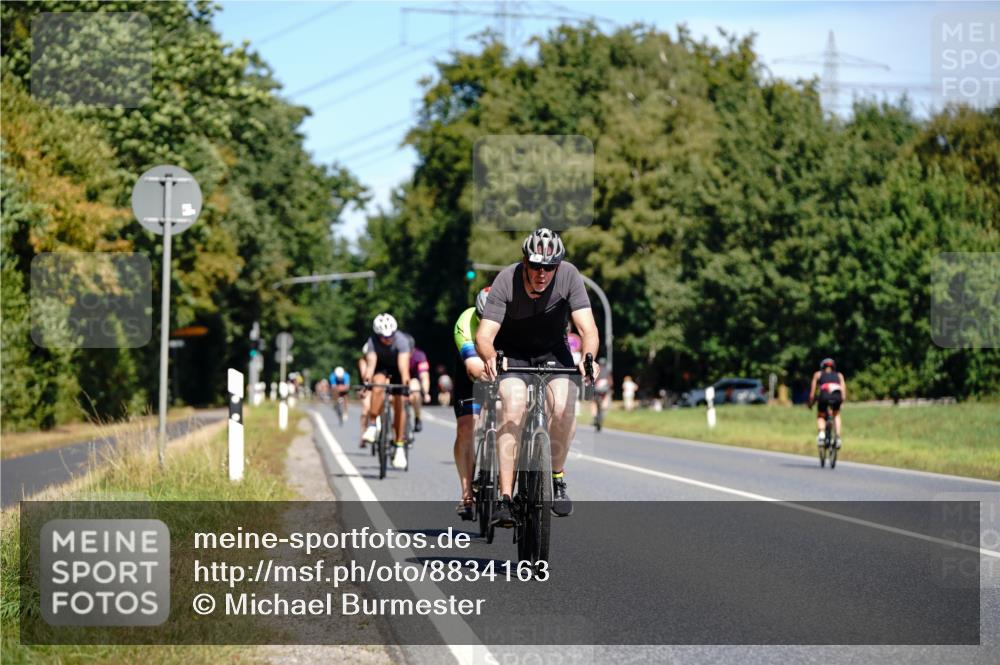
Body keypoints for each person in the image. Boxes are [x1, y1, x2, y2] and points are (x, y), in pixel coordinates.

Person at [476, 228, 600, 526]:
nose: (542, 273)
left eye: (549, 267)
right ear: (524, 262)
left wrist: (588, 357)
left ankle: (556, 478)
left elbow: (588, 330)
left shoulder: (570, 276)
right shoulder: (507, 279)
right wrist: (491, 357)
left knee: (564, 405)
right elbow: (485, 335)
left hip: (553, 352)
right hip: (513, 353)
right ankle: (505, 498)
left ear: (558, 265)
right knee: (514, 406)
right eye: (536, 266)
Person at [450, 286, 490, 520]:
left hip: (502, 370)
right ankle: (466, 494)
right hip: (471, 374)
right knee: (467, 427)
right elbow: (473, 366)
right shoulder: (465, 320)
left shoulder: (514, 317)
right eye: (482, 319)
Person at [360, 314, 412, 469]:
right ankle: (372, 425)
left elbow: (403, 367)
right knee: (377, 384)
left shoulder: (402, 341)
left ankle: (399, 445)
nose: (387, 339)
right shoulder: (372, 342)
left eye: (390, 336)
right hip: (380, 368)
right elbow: (370, 365)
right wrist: (367, 381)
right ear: (377, 335)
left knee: (400, 403)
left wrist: (406, 384)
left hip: (397, 368)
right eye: (383, 337)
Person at [807, 357, 847, 448]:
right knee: (836, 414)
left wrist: (811, 402)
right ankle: (837, 437)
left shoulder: (818, 374)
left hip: (824, 396)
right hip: (837, 397)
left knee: (821, 415)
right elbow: (843, 391)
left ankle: (821, 435)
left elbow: (812, 393)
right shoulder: (839, 375)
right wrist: (842, 402)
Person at [401, 332, 431, 433]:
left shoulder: (419, 356)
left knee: (415, 388)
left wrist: (426, 393)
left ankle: (417, 417)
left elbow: (424, 376)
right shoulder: (396, 353)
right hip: (399, 378)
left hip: (413, 378)